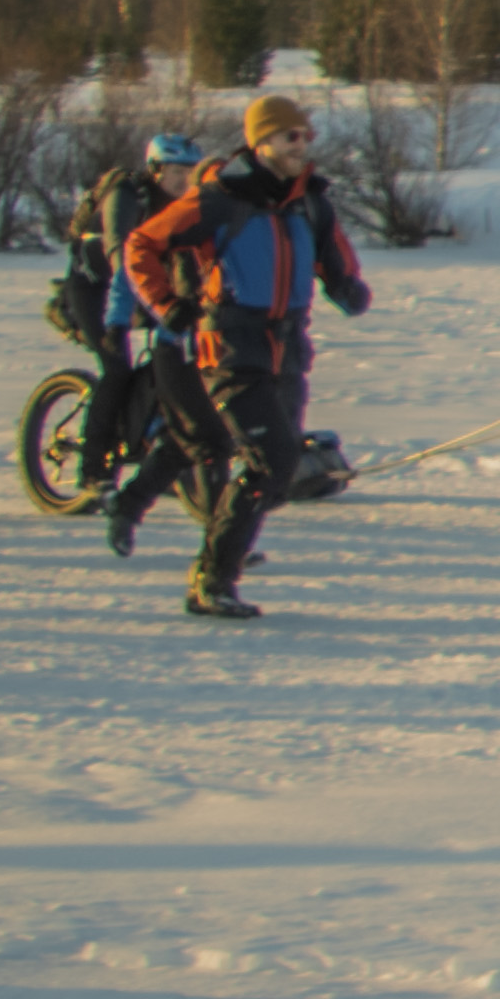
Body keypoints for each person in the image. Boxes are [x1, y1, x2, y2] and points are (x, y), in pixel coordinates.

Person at [114, 94, 370, 621]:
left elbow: (335, 258)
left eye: (306, 135)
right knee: (264, 458)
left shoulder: (311, 202)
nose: (303, 145)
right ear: (262, 142)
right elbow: (140, 245)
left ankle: (189, 540)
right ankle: (212, 580)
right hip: (233, 346)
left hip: (289, 348)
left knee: (274, 471)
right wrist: (166, 305)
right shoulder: (221, 200)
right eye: (290, 136)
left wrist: (347, 287)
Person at [55, 130, 196, 496]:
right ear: (154, 169)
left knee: (171, 360)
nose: (185, 179)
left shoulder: (185, 205)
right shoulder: (126, 196)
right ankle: (93, 465)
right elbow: (122, 252)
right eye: (176, 171)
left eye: (190, 171)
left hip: (142, 286)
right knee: (116, 367)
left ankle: (156, 444)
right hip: (94, 288)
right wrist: (123, 315)